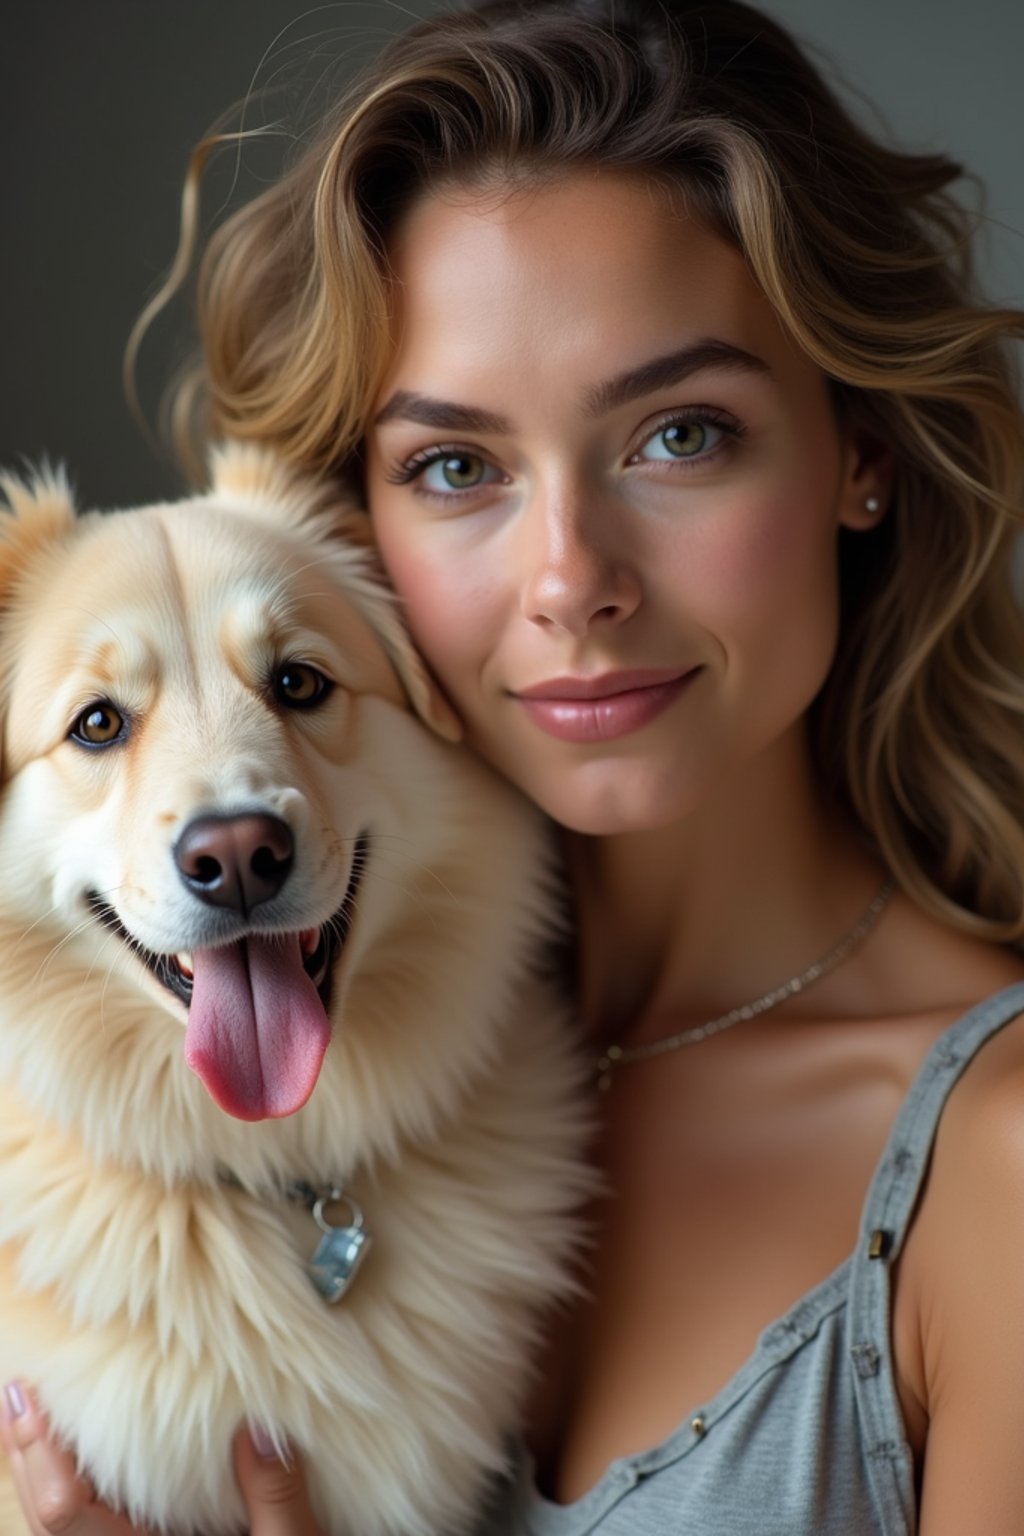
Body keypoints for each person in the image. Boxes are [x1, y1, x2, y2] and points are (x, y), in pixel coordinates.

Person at [4, 0, 1024, 1530]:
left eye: (681, 435)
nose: (569, 581)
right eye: (456, 467)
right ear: (358, 529)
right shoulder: (208, 1096)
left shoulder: (994, 1173)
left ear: (859, 454)